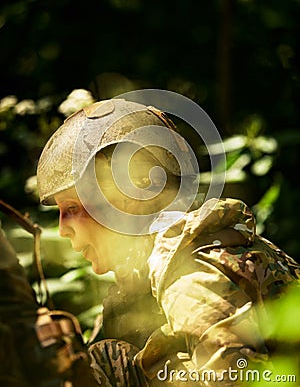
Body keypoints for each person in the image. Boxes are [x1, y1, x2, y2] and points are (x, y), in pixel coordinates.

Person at [34, 97, 300, 386]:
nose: (62, 229)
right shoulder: (141, 282)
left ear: (127, 200)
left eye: (73, 208)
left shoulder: (191, 276)